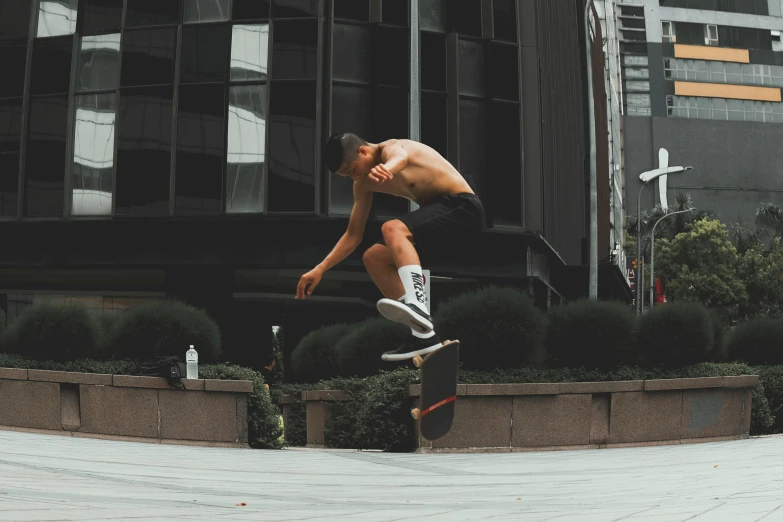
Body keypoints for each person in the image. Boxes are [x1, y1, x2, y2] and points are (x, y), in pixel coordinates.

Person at [296, 133, 485, 361]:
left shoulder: (392, 148)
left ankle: (417, 308)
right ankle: (423, 336)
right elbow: (353, 235)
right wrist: (321, 268)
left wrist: (388, 168)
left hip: (463, 210)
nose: (354, 177)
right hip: (440, 224)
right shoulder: (362, 185)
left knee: (392, 228)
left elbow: (400, 157)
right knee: (374, 257)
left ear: (363, 152)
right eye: (347, 176)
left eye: (353, 170)